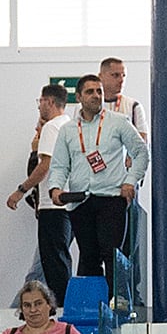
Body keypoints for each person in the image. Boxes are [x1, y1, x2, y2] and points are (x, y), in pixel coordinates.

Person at [47, 70, 147, 291]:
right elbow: (60, 165)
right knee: (88, 257)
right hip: (81, 201)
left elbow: (141, 152)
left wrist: (130, 182)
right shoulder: (68, 130)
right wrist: (55, 189)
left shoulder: (118, 122)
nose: (96, 96)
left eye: (99, 91)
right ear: (79, 97)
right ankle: (92, 308)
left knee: (112, 254)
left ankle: (117, 305)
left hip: (111, 198)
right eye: (90, 92)